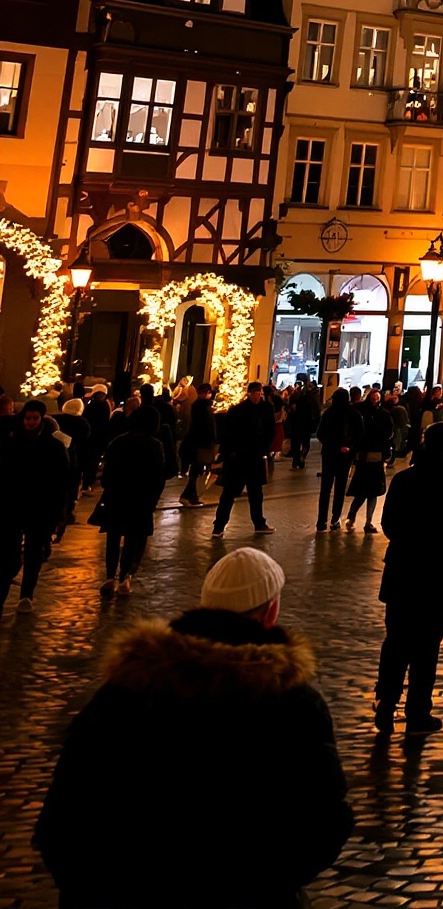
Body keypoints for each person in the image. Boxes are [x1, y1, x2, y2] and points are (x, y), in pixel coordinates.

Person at [34, 546, 352, 907]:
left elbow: (65, 812)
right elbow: (324, 822)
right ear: (271, 613)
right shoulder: (292, 703)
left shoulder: (127, 688)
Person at [375, 419, 443, 734]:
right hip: (440, 573)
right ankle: (417, 712)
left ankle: (386, 704)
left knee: (396, 640)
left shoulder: (403, 480)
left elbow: (389, 525)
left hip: (403, 570)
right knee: (427, 645)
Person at [0, 400, 71, 610]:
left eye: (34, 419)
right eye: (27, 418)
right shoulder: (11, 443)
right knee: (9, 554)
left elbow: (61, 481)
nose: (30, 422)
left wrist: (60, 512)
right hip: (12, 506)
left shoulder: (54, 446)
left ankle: (26, 595)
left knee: (33, 552)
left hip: (40, 508)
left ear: (41, 420)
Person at [94, 402, 167, 598]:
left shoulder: (118, 442)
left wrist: (110, 489)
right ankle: (125, 578)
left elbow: (107, 473)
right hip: (141, 499)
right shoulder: (154, 445)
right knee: (132, 539)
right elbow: (158, 476)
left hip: (117, 497)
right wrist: (152, 499)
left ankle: (110, 576)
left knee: (113, 536)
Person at [211, 380, 275, 538]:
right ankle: (219, 526)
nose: (257, 395)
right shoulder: (240, 411)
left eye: (259, 392)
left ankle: (257, 523)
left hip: (249, 457)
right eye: (255, 392)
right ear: (250, 393)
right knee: (231, 493)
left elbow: (269, 432)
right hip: (240, 458)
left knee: (253, 493)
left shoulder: (262, 410)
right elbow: (228, 435)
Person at [314, 386, 360, 531]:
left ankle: (321, 521)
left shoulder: (328, 414)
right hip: (345, 456)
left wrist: (333, 446)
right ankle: (335, 518)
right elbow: (360, 434)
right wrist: (350, 447)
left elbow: (320, 434)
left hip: (329, 455)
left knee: (325, 489)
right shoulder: (354, 414)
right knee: (340, 488)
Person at [348, 391, 394, 532]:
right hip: (370, 457)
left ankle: (361, 519)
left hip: (369, 457)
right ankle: (358, 518)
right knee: (368, 491)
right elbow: (388, 433)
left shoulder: (362, 412)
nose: (375, 401)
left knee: (366, 491)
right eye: (373, 398)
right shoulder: (382, 414)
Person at [177, 383, 216, 508]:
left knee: (196, 470)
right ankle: (188, 496)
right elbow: (206, 427)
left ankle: (191, 496)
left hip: (196, 442)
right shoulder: (203, 408)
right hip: (201, 444)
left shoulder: (198, 406)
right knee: (197, 470)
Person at [56, 402, 91, 527]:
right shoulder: (82, 423)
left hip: (58, 459)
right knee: (71, 485)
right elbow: (85, 438)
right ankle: (69, 511)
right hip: (75, 457)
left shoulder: (57, 419)